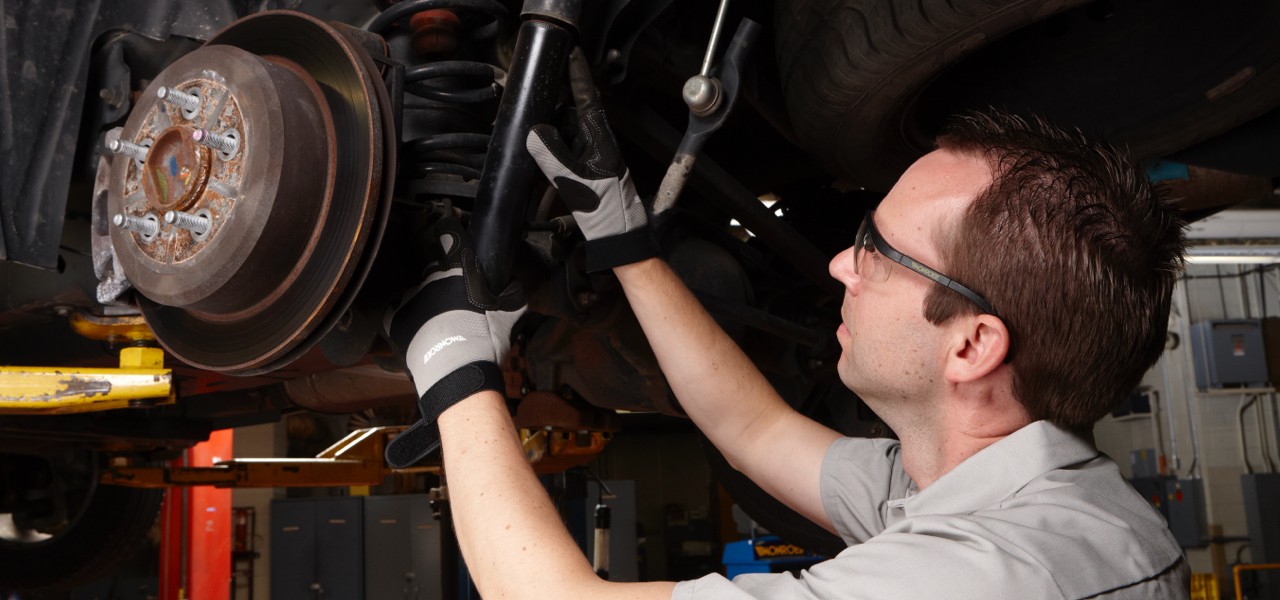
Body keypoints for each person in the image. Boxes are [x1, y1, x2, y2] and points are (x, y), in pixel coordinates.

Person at [381, 60, 1191, 598]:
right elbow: (753, 427)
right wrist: (628, 245)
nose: (843, 264)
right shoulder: (998, 489)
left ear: (972, 345)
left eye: (880, 253)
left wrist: (455, 368)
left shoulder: (988, 577)